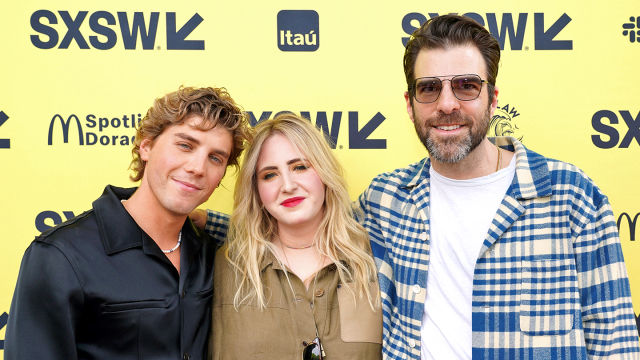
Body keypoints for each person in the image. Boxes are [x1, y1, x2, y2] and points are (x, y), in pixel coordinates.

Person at [357, 14, 640, 360]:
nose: (447, 104)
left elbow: (616, 343)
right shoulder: (384, 200)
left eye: (466, 86)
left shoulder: (572, 196)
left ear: (492, 99)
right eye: (429, 88)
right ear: (409, 104)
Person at [5, 86, 248, 360]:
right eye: (185, 145)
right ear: (146, 146)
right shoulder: (60, 255)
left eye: (215, 158)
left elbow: (279, 238)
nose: (197, 167)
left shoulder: (213, 252)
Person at [208, 113, 382, 359]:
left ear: (324, 172)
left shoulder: (375, 260)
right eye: (270, 175)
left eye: (299, 167)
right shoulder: (224, 267)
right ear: (256, 191)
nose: (287, 185)